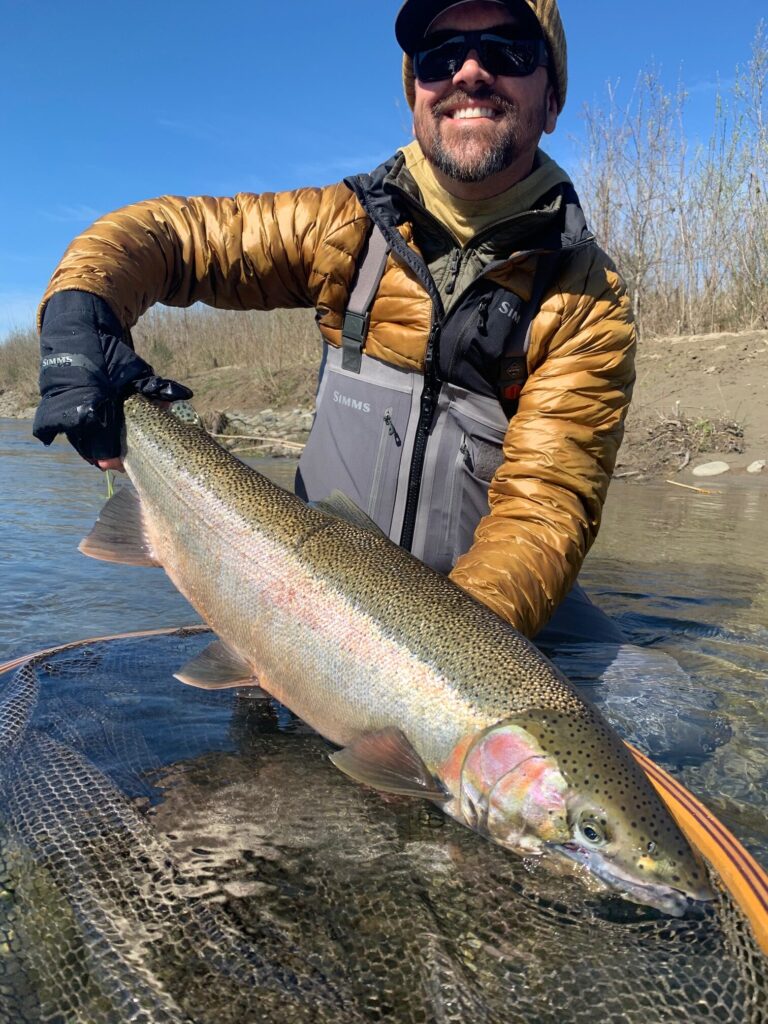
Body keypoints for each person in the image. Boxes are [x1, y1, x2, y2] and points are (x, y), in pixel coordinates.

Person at [32, 0, 635, 647]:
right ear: (414, 95)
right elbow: (169, 238)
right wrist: (79, 310)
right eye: (439, 56)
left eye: (507, 48)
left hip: (476, 630)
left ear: (552, 99)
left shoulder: (588, 302)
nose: (468, 72)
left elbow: (543, 511)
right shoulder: (343, 227)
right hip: (298, 596)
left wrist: (438, 668)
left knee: (666, 715)